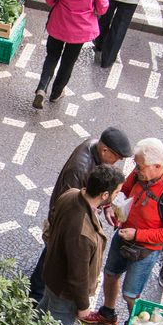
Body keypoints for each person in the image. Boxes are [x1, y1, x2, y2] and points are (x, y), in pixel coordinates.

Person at [84, 138, 163, 325]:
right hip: (124, 235)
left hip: (145, 250)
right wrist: (112, 208)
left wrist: (138, 235)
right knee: (110, 274)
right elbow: (124, 190)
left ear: (157, 166)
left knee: (130, 294)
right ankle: (107, 312)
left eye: (140, 167)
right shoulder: (141, 172)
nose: (136, 170)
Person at [29, 128, 132, 305]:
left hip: (70, 216)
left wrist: (106, 205)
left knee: (52, 253)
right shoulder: (80, 168)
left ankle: (38, 290)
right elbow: (71, 205)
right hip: (64, 220)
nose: (117, 162)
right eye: (116, 157)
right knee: (54, 253)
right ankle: (35, 294)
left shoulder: (94, 149)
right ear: (105, 150)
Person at [37, 166, 123, 325]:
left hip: (52, 275)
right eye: (117, 192)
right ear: (104, 195)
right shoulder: (83, 232)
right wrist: (84, 306)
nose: (117, 196)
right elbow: (78, 274)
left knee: (41, 313)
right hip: (64, 291)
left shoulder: (71, 194)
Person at [32, 0, 108, 109]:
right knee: (68, 61)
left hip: (58, 26)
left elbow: (50, 0)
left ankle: (42, 88)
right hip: (79, 32)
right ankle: (57, 92)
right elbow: (102, 8)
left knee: (51, 57)